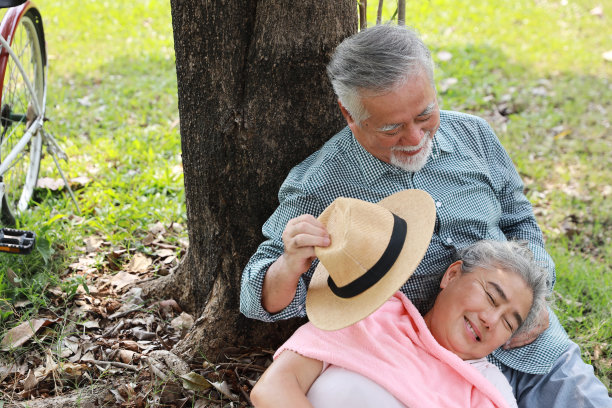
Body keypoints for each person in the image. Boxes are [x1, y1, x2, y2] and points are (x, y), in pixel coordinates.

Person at [240, 25, 612, 407]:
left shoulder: (475, 136)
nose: (415, 137)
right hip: (427, 371)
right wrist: (289, 265)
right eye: (392, 127)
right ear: (350, 115)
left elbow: (520, 220)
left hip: (532, 346)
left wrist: (527, 300)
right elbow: (255, 295)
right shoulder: (320, 184)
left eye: (425, 114)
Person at [251, 192, 549, 408]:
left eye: (509, 323)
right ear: (452, 275)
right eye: (491, 297)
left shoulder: (486, 389)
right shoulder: (369, 315)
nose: (491, 320)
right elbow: (273, 388)